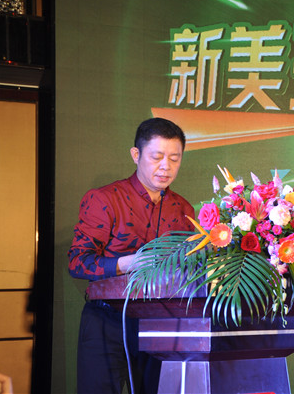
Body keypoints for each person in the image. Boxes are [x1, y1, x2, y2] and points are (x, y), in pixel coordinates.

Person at [68, 118, 195, 394]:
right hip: (106, 322)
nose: (166, 166)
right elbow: (77, 262)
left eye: (174, 159)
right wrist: (127, 264)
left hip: (161, 322)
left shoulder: (183, 209)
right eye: (157, 157)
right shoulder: (105, 199)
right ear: (136, 154)